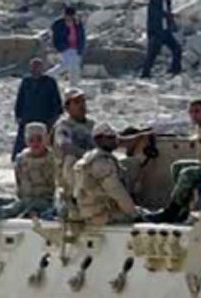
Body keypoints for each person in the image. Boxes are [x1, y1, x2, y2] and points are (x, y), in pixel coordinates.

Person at [73, 123, 140, 226]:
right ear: (98, 140)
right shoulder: (101, 162)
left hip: (90, 212)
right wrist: (134, 213)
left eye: (114, 137)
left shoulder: (89, 158)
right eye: (109, 138)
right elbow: (117, 192)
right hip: (101, 215)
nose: (114, 140)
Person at [52, 88, 95, 217]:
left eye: (83, 101)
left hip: (92, 167)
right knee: (72, 159)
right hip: (70, 174)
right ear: (67, 107)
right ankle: (75, 198)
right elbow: (65, 146)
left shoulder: (91, 125)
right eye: (76, 102)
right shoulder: (64, 126)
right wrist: (88, 155)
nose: (81, 105)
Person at [12, 58, 62, 162]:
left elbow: (56, 101)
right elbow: (20, 99)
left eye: (38, 66)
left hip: (45, 118)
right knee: (23, 141)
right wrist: (18, 114)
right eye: (33, 66)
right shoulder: (26, 81)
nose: (35, 69)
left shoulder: (50, 82)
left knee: (46, 142)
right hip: (27, 117)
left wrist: (55, 116)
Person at [141, 0, 182, 78]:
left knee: (177, 49)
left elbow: (168, 14)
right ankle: (145, 74)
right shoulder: (154, 2)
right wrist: (168, 15)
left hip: (165, 31)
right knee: (152, 54)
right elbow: (155, 15)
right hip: (156, 32)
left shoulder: (167, 2)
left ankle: (175, 70)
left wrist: (172, 24)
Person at [48, 5, 86, 87]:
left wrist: (81, 48)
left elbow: (82, 35)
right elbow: (56, 37)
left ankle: (74, 87)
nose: (69, 17)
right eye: (68, 15)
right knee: (66, 64)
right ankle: (48, 76)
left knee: (75, 69)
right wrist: (60, 47)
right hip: (65, 47)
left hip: (76, 48)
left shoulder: (77, 23)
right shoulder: (59, 24)